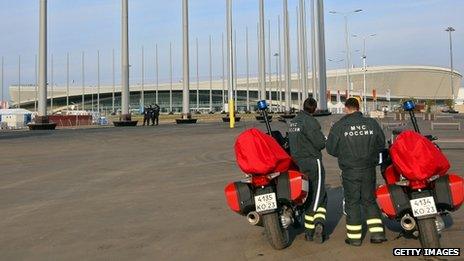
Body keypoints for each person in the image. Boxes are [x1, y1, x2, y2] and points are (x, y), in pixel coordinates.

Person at [326, 98, 387, 246]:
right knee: (370, 200)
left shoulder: (339, 126)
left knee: (352, 203)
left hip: (350, 170)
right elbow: (381, 144)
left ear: (346, 108)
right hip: (368, 169)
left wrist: (345, 154)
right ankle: (377, 234)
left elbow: (331, 149)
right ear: (358, 107)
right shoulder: (372, 123)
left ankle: (354, 238)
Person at [288, 97, 328, 244]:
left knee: (305, 194)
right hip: (312, 161)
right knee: (319, 194)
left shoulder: (293, 122)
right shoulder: (310, 121)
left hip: (297, 162)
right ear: (315, 108)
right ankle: (315, 227)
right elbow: (319, 143)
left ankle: (309, 230)